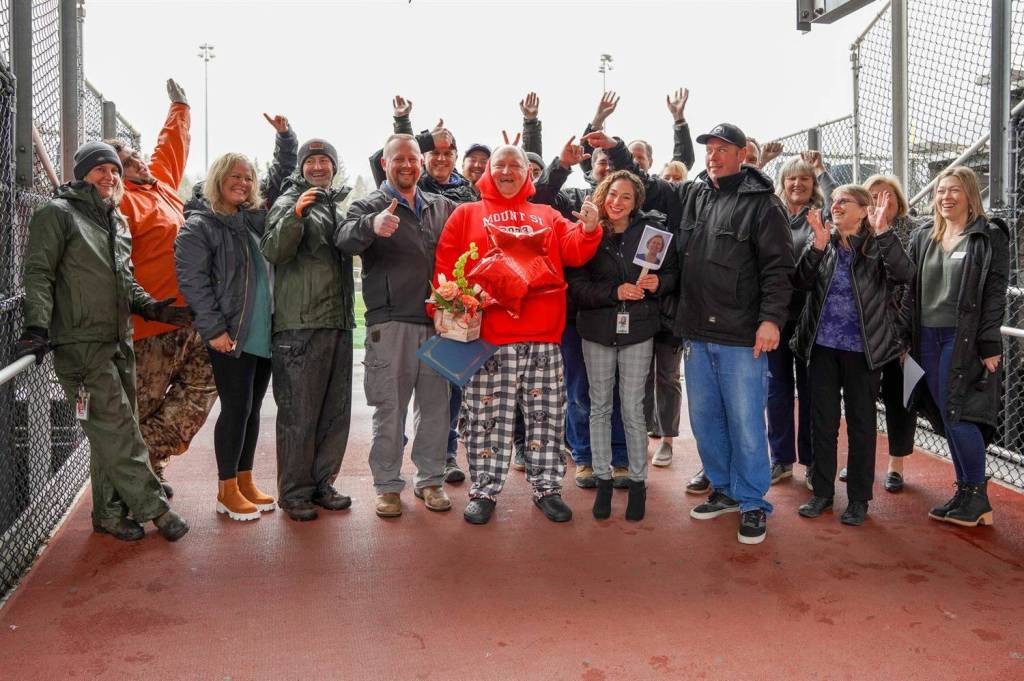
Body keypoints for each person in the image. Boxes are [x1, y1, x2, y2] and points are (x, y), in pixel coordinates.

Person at [597, 123, 793, 544]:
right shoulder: (694, 194)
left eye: (723, 149)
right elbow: (647, 183)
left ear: (743, 154)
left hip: (742, 335)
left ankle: (754, 502)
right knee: (705, 420)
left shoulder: (764, 204)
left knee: (745, 422)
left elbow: (779, 269)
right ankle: (722, 489)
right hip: (697, 333)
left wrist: (771, 320)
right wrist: (616, 151)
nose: (713, 155)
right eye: (710, 149)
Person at [15, 141, 189, 542]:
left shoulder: (116, 220)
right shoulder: (56, 214)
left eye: (114, 170)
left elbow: (124, 282)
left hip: (119, 340)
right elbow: (39, 273)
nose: (109, 176)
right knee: (118, 429)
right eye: (99, 170)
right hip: (80, 345)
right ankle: (156, 509)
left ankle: (109, 513)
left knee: (108, 431)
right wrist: (37, 327)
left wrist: (152, 309)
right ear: (82, 173)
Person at [434, 144, 602, 525]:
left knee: (546, 417)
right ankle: (484, 489)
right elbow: (445, 266)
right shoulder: (465, 214)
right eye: (500, 165)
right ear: (488, 171)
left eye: (516, 165)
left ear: (529, 172)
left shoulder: (546, 213)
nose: (507, 171)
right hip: (488, 337)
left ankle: (547, 487)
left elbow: (575, 250)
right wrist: (446, 311)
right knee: (484, 417)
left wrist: (590, 228)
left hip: (542, 336)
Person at [104, 79, 217, 499]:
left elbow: (170, 147)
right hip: (150, 326)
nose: (141, 164)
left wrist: (181, 108)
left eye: (135, 157)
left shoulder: (161, 185)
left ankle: (142, 460)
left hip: (191, 319)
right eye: (128, 162)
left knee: (203, 388)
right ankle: (136, 481)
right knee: (143, 405)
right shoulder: (121, 203)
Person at [336, 133, 457, 518]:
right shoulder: (369, 204)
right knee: (390, 410)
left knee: (436, 408)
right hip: (389, 323)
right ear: (384, 164)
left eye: (413, 159)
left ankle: (431, 480)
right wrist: (371, 225)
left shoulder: (443, 207)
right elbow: (342, 239)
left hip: (440, 324)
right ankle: (387, 486)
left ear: (421, 165)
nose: (407, 165)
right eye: (397, 159)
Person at [175, 137, 294, 522]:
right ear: (218, 180)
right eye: (234, 176)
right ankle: (226, 489)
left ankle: (245, 481)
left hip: (262, 331)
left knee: (253, 409)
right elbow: (194, 283)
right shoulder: (200, 226)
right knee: (236, 408)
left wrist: (286, 141)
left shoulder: (252, 220)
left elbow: (278, 183)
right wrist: (213, 330)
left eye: (248, 177)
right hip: (231, 334)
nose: (242, 182)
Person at [791, 186, 913, 526]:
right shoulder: (823, 243)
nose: (836, 205)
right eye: (834, 201)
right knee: (822, 422)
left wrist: (884, 231)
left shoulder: (877, 246)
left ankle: (859, 498)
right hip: (823, 348)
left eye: (844, 201)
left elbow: (904, 274)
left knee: (862, 424)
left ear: (863, 210)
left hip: (863, 351)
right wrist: (815, 245)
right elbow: (799, 282)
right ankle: (823, 493)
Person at [900, 166, 1009, 527]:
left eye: (954, 191)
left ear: (970, 195)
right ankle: (964, 491)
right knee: (945, 414)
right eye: (940, 191)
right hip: (926, 336)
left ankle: (977, 496)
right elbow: (908, 292)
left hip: (961, 337)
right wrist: (904, 341)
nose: (946, 197)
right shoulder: (922, 237)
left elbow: (994, 294)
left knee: (958, 412)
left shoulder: (987, 236)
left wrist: (989, 342)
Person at [567, 170, 678, 521]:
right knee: (599, 406)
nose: (617, 202)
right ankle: (602, 480)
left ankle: (638, 481)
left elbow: (673, 274)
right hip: (597, 329)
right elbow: (577, 285)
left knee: (632, 408)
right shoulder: (588, 231)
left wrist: (657, 282)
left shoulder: (652, 232)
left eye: (626, 197)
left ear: (637, 202)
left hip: (638, 330)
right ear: (603, 193)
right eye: (613, 194)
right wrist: (614, 292)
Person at [261, 138, 355, 522]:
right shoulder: (289, 201)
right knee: (299, 413)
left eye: (325, 161)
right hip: (299, 326)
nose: (318, 166)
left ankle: (322, 483)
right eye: (311, 161)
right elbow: (273, 250)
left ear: (333, 167)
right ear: (301, 168)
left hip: (336, 322)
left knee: (335, 411)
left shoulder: (334, 206)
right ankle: (294, 492)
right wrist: (295, 215)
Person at [532, 136, 633, 488]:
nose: (605, 165)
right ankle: (585, 456)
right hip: (576, 317)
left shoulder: (636, 219)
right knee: (578, 391)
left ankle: (620, 457)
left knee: (619, 392)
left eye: (612, 161)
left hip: (620, 318)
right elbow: (538, 197)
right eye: (599, 161)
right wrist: (561, 165)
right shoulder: (573, 200)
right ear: (591, 168)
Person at [764, 151, 837, 488]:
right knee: (776, 389)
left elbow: (839, 199)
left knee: (811, 391)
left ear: (813, 184)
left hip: (812, 316)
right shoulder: (772, 213)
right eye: (791, 178)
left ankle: (810, 462)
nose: (797, 183)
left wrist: (822, 170)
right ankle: (780, 459)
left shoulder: (820, 216)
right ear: (783, 182)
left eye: (805, 178)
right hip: (777, 315)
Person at [862, 174, 920, 492]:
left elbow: (911, 282)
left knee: (900, 400)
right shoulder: (858, 231)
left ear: (899, 201)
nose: (880, 201)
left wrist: (905, 336)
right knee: (862, 400)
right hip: (867, 332)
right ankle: (862, 462)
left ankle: (895, 464)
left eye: (888, 196)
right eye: (873, 195)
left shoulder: (913, 232)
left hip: (900, 332)